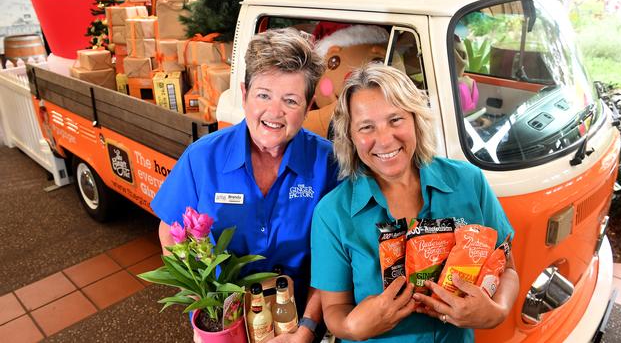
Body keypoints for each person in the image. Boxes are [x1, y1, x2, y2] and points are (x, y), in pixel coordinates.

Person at [151, 28, 339, 342]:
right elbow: (169, 230)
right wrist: (201, 300)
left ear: (308, 108)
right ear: (244, 94)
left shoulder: (327, 164)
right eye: (263, 94)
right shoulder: (203, 158)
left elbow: (334, 257)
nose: (274, 112)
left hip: (297, 324)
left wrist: (306, 329)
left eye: (290, 101)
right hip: (224, 325)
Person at [310, 64, 519, 342]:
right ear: (350, 136)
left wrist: (497, 311)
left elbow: (508, 268)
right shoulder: (332, 213)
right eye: (366, 127)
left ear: (415, 119)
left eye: (395, 120)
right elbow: (334, 309)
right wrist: (352, 328)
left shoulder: (469, 182)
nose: (384, 140)